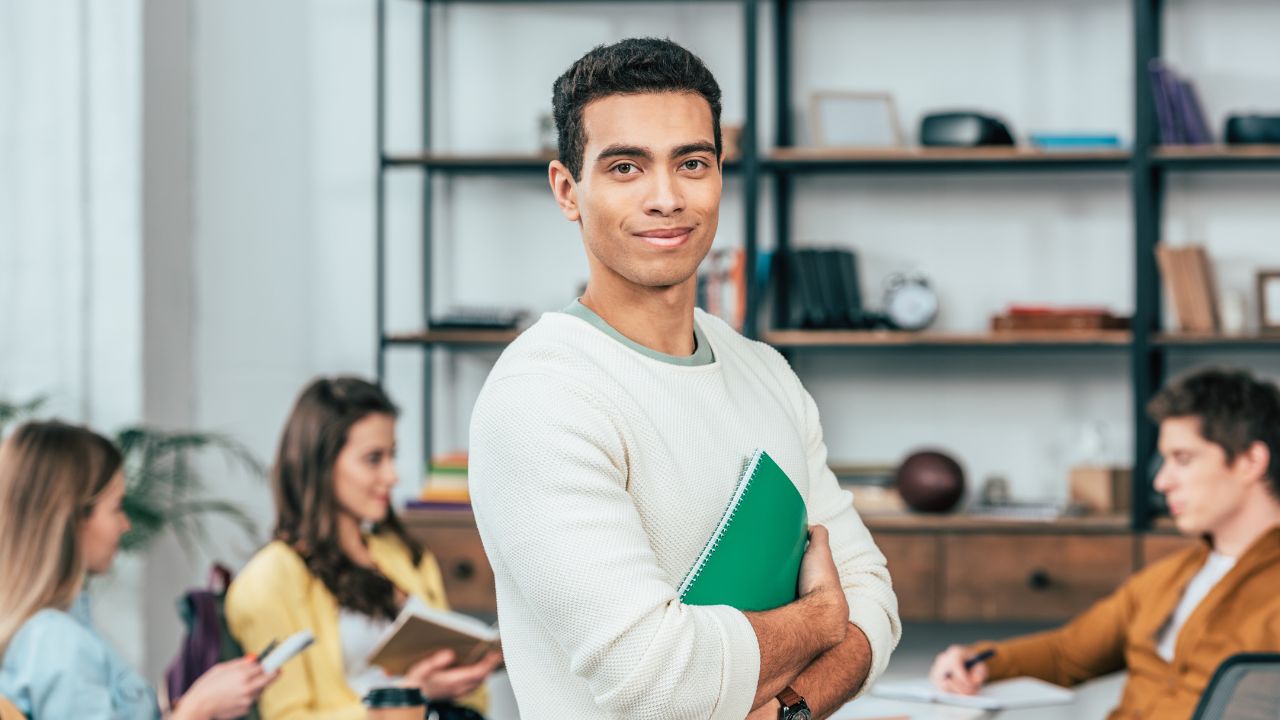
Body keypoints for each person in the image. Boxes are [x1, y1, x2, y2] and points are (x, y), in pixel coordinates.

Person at [468, 38, 900, 720]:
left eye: (691, 163)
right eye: (626, 168)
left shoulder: (764, 371)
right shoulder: (542, 395)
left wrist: (789, 707)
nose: (666, 197)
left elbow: (874, 600)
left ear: (721, 173)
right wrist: (819, 621)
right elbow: (656, 680)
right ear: (567, 190)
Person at [929, 366, 1280, 720]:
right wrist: (979, 661)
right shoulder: (1169, 578)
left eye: (1183, 459)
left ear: (1251, 461)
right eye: (1165, 460)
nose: (1161, 481)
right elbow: (1067, 653)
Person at [226, 377, 501, 720]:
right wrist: (408, 696)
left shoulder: (405, 557)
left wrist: (467, 677)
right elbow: (286, 716)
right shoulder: (269, 581)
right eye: (374, 459)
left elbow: (476, 702)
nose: (392, 475)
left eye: (392, 455)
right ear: (322, 465)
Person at [0, 420, 272, 720]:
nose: (126, 524)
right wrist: (198, 709)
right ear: (72, 520)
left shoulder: (55, 631)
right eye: (116, 507)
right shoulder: (57, 641)